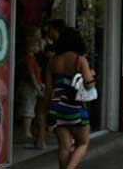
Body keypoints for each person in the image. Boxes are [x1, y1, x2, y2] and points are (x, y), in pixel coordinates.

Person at [44, 28, 95, 169]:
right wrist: (91, 73)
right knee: (82, 143)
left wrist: (46, 109)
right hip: (76, 108)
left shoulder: (52, 61)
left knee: (64, 147)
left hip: (57, 108)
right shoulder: (80, 60)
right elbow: (89, 86)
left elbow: (48, 88)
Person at [16, 27, 46, 148]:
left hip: (32, 86)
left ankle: (27, 131)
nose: (39, 48)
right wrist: (37, 87)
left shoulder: (31, 58)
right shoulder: (29, 59)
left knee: (30, 107)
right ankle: (26, 131)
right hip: (29, 86)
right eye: (37, 45)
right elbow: (32, 75)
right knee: (28, 107)